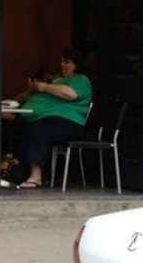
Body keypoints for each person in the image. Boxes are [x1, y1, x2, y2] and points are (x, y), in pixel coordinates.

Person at [11, 48, 92, 190]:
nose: (62, 65)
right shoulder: (56, 79)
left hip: (67, 122)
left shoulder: (80, 79)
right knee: (10, 128)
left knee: (39, 129)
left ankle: (36, 176)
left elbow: (70, 94)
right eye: (61, 61)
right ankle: (11, 170)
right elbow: (26, 97)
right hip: (41, 118)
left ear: (76, 65)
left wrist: (45, 87)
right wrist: (16, 105)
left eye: (66, 62)